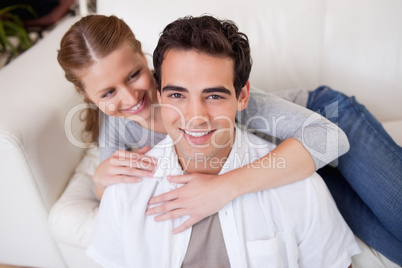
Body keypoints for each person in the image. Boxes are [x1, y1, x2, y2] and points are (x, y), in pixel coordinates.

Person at [56, 15, 402, 265]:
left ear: (145, 61)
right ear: (88, 96)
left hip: (324, 120)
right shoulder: (116, 124)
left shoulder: (219, 98)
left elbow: (326, 138)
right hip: (286, 163)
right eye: (108, 92)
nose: (130, 97)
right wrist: (101, 178)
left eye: (134, 75)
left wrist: (223, 187)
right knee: (390, 243)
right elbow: (111, 188)